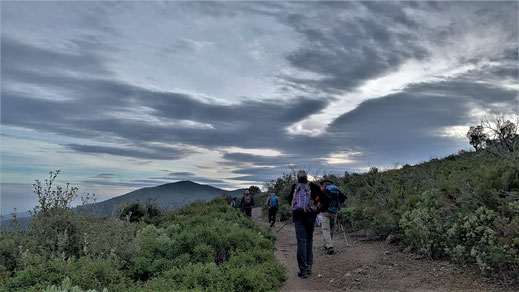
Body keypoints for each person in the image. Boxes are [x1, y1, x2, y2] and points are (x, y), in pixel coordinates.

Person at [288, 170, 330, 279]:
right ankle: (309, 266)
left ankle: (303, 270)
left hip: (298, 217)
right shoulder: (314, 186)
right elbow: (327, 199)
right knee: (309, 240)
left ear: (297, 177)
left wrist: (297, 210)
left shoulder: (294, 186)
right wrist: (318, 210)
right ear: (307, 177)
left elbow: (290, 201)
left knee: (301, 242)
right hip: (311, 217)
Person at [320, 180, 347, 255]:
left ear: (323, 185)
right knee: (331, 229)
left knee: (326, 229)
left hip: (325, 212)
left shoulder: (323, 190)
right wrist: (338, 208)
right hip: (334, 213)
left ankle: (329, 247)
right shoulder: (337, 190)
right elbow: (343, 199)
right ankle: (327, 245)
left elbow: (318, 200)